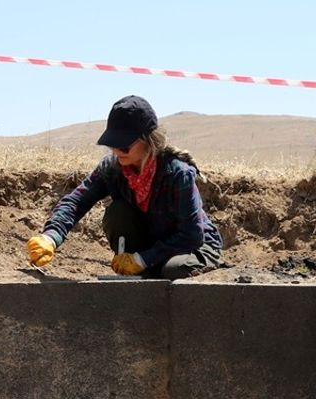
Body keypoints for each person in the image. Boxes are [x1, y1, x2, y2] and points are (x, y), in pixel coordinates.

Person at [25, 95, 222, 279]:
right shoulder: (111, 168)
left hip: (192, 248)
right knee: (118, 213)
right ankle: (144, 274)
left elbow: (191, 235)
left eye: (124, 145)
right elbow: (76, 201)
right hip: (150, 247)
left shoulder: (178, 173)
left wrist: (142, 259)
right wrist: (51, 236)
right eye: (113, 144)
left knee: (174, 269)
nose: (117, 151)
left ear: (147, 140)